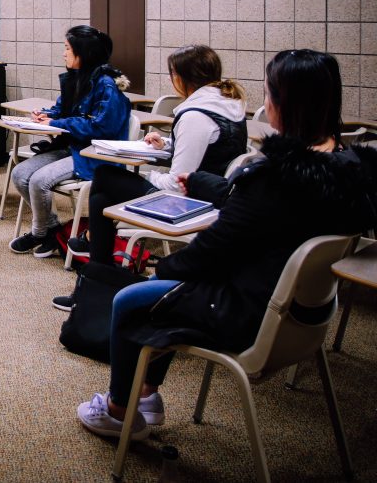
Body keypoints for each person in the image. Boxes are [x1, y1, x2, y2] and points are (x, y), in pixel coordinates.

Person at [75, 49, 377, 441]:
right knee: (165, 291)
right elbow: (263, 216)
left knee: (131, 299)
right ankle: (146, 395)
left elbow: (215, 248)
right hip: (303, 314)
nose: (265, 104)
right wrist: (204, 184)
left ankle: (119, 411)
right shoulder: (349, 172)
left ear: (284, 104)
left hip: (246, 311)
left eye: (270, 94)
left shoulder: (272, 180)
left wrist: (165, 269)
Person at [52, 45, 248, 311]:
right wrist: (165, 144)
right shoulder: (227, 105)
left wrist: (148, 173)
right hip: (211, 195)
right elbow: (208, 149)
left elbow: (176, 183)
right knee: (102, 193)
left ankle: (94, 280)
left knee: (104, 179)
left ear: (180, 78)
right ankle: (95, 270)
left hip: (189, 203)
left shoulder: (195, 116)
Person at [9, 25, 131, 255]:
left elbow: (100, 127)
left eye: (67, 48)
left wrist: (56, 123)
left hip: (93, 154)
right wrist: (47, 115)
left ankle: (39, 232)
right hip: (73, 146)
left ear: (83, 53)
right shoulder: (78, 79)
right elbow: (64, 110)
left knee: (39, 181)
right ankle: (54, 231)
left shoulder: (107, 86)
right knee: (20, 174)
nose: (64, 53)